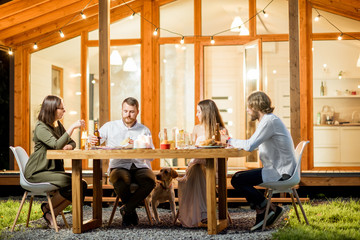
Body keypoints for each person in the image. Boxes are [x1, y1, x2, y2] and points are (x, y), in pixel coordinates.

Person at [229, 91, 295, 231]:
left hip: (280, 172)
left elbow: (250, 145)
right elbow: (255, 144)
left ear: (255, 106)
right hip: (279, 168)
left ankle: (266, 208)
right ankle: (266, 208)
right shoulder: (269, 121)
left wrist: (229, 140)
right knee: (238, 177)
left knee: (237, 179)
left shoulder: (269, 122)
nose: (247, 110)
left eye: (248, 106)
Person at [89, 97, 156, 227]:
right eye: (125, 111)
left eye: (131, 111)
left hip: (139, 166)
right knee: (120, 179)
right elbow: (96, 140)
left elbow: (151, 156)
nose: (128, 115)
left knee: (150, 180)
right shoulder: (110, 126)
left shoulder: (144, 129)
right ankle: (130, 212)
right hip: (118, 166)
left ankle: (126, 209)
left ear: (137, 112)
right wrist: (91, 139)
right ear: (121, 110)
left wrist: (141, 145)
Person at [24, 95, 87, 229]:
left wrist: (68, 146)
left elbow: (72, 142)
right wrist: (72, 128)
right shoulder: (41, 127)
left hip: (51, 170)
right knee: (72, 182)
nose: (64, 111)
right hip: (37, 172)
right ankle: (48, 209)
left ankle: (50, 212)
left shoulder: (57, 125)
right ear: (52, 109)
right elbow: (57, 145)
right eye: (62, 109)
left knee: (81, 184)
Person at [177, 99, 228, 228]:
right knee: (197, 169)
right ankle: (204, 213)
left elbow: (225, 155)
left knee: (198, 169)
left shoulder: (221, 130)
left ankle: (203, 213)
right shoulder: (196, 128)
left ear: (206, 113)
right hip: (196, 165)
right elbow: (191, 150)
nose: (196, 115)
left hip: (214, 167)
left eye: (198, 111)